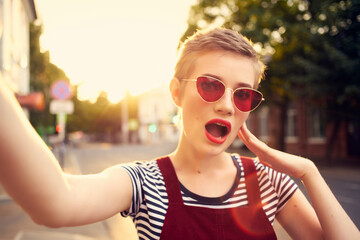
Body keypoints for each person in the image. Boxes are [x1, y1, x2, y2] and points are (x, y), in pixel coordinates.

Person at [0, 27, 359, 240]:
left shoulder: (267, 183)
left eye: (243, 94)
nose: (227, 106)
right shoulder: (144, 184)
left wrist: (308, 173)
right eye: (210, 86)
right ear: (176, 92)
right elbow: (56, 203)